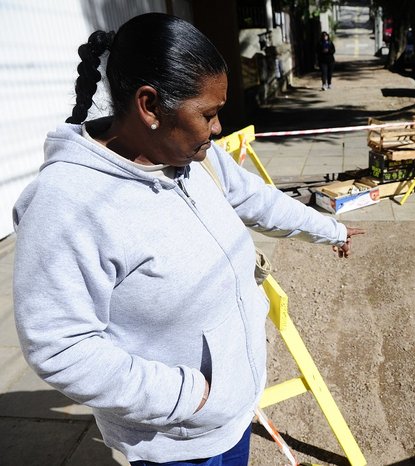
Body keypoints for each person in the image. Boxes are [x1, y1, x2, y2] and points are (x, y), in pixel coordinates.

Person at [12, 13, 363, 466]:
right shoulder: (66, 205)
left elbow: (256, 197)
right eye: (209, 115)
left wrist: (328, 229)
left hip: (231, 413)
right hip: (176, 443)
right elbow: (60, 346)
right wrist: (192, 395)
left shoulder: (194, 157)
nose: (218, 129)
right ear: (150, 106)